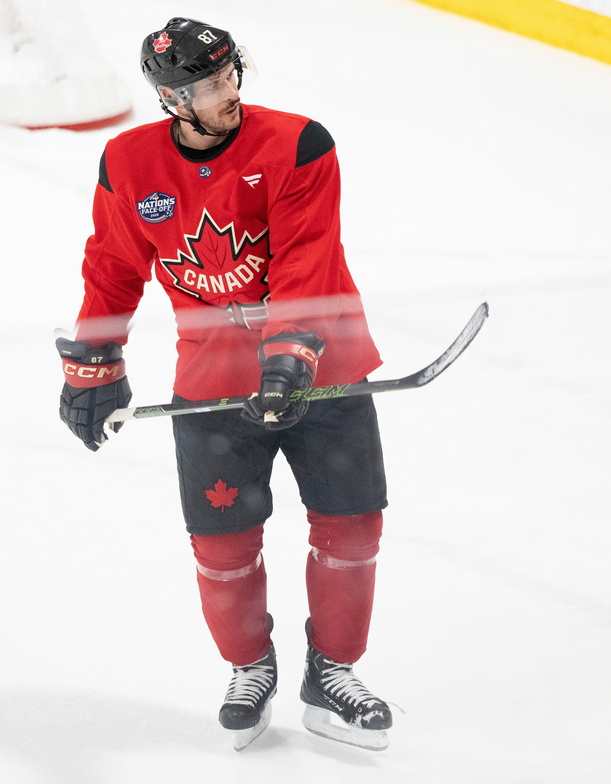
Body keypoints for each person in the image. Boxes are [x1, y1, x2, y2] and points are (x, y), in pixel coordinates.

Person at [57, 17, 394, 752]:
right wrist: (95, 364)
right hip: (211, 382)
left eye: (229, 74)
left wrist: (288, 359)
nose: (227, 94)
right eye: (206, 86)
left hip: (324, 372)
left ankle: (332, 673)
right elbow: (112, 266)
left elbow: (308, 259)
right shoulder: (128, 164)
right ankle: (250, 668)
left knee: (353, 528)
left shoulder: (300, 143)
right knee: (222, 543)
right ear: (172, 101)